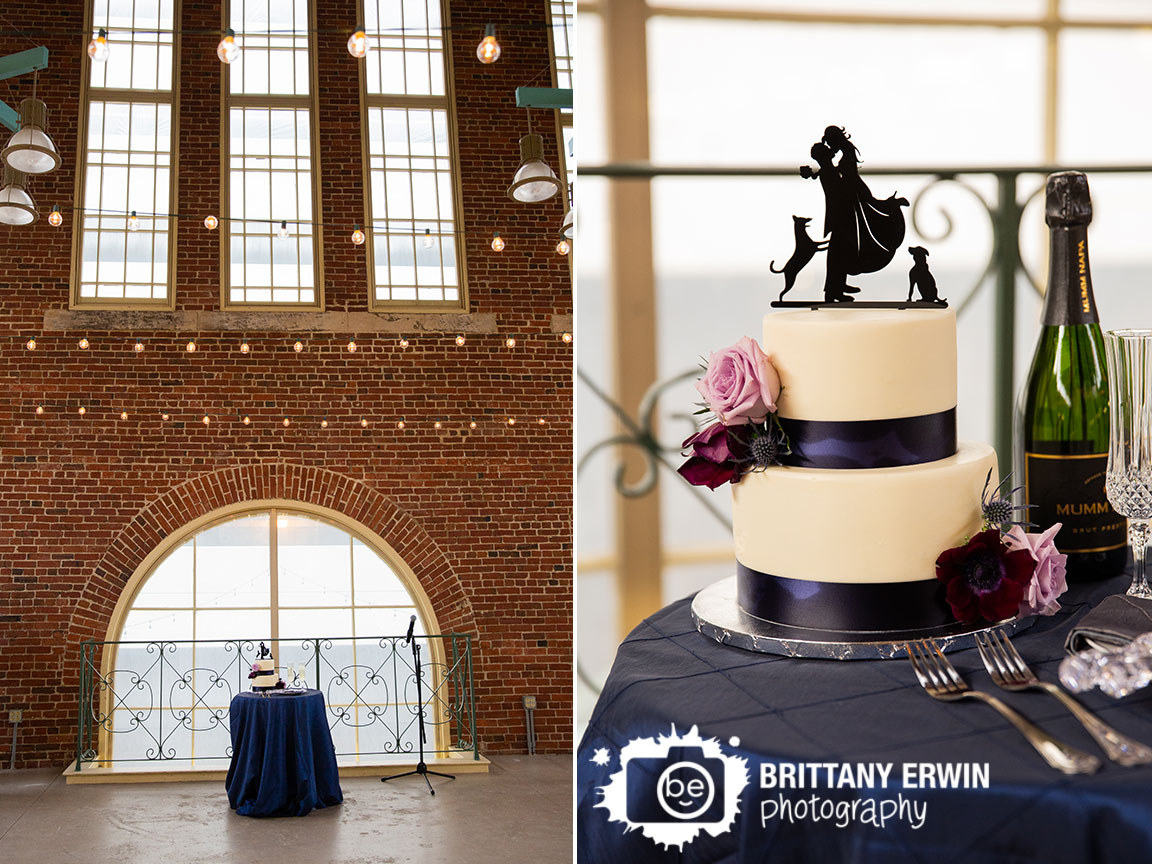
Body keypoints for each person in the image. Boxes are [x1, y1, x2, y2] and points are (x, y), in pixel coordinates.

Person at [819, 125, 909, 278]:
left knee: (848, 238)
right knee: (846, 239)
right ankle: (837, 285)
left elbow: (847, 174)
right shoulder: (846, 151)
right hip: (851, 195)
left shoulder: (847, 152)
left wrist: (824, 169)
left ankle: (836, 285)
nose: (830, 147)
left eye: (830, 143)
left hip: (854, 194)